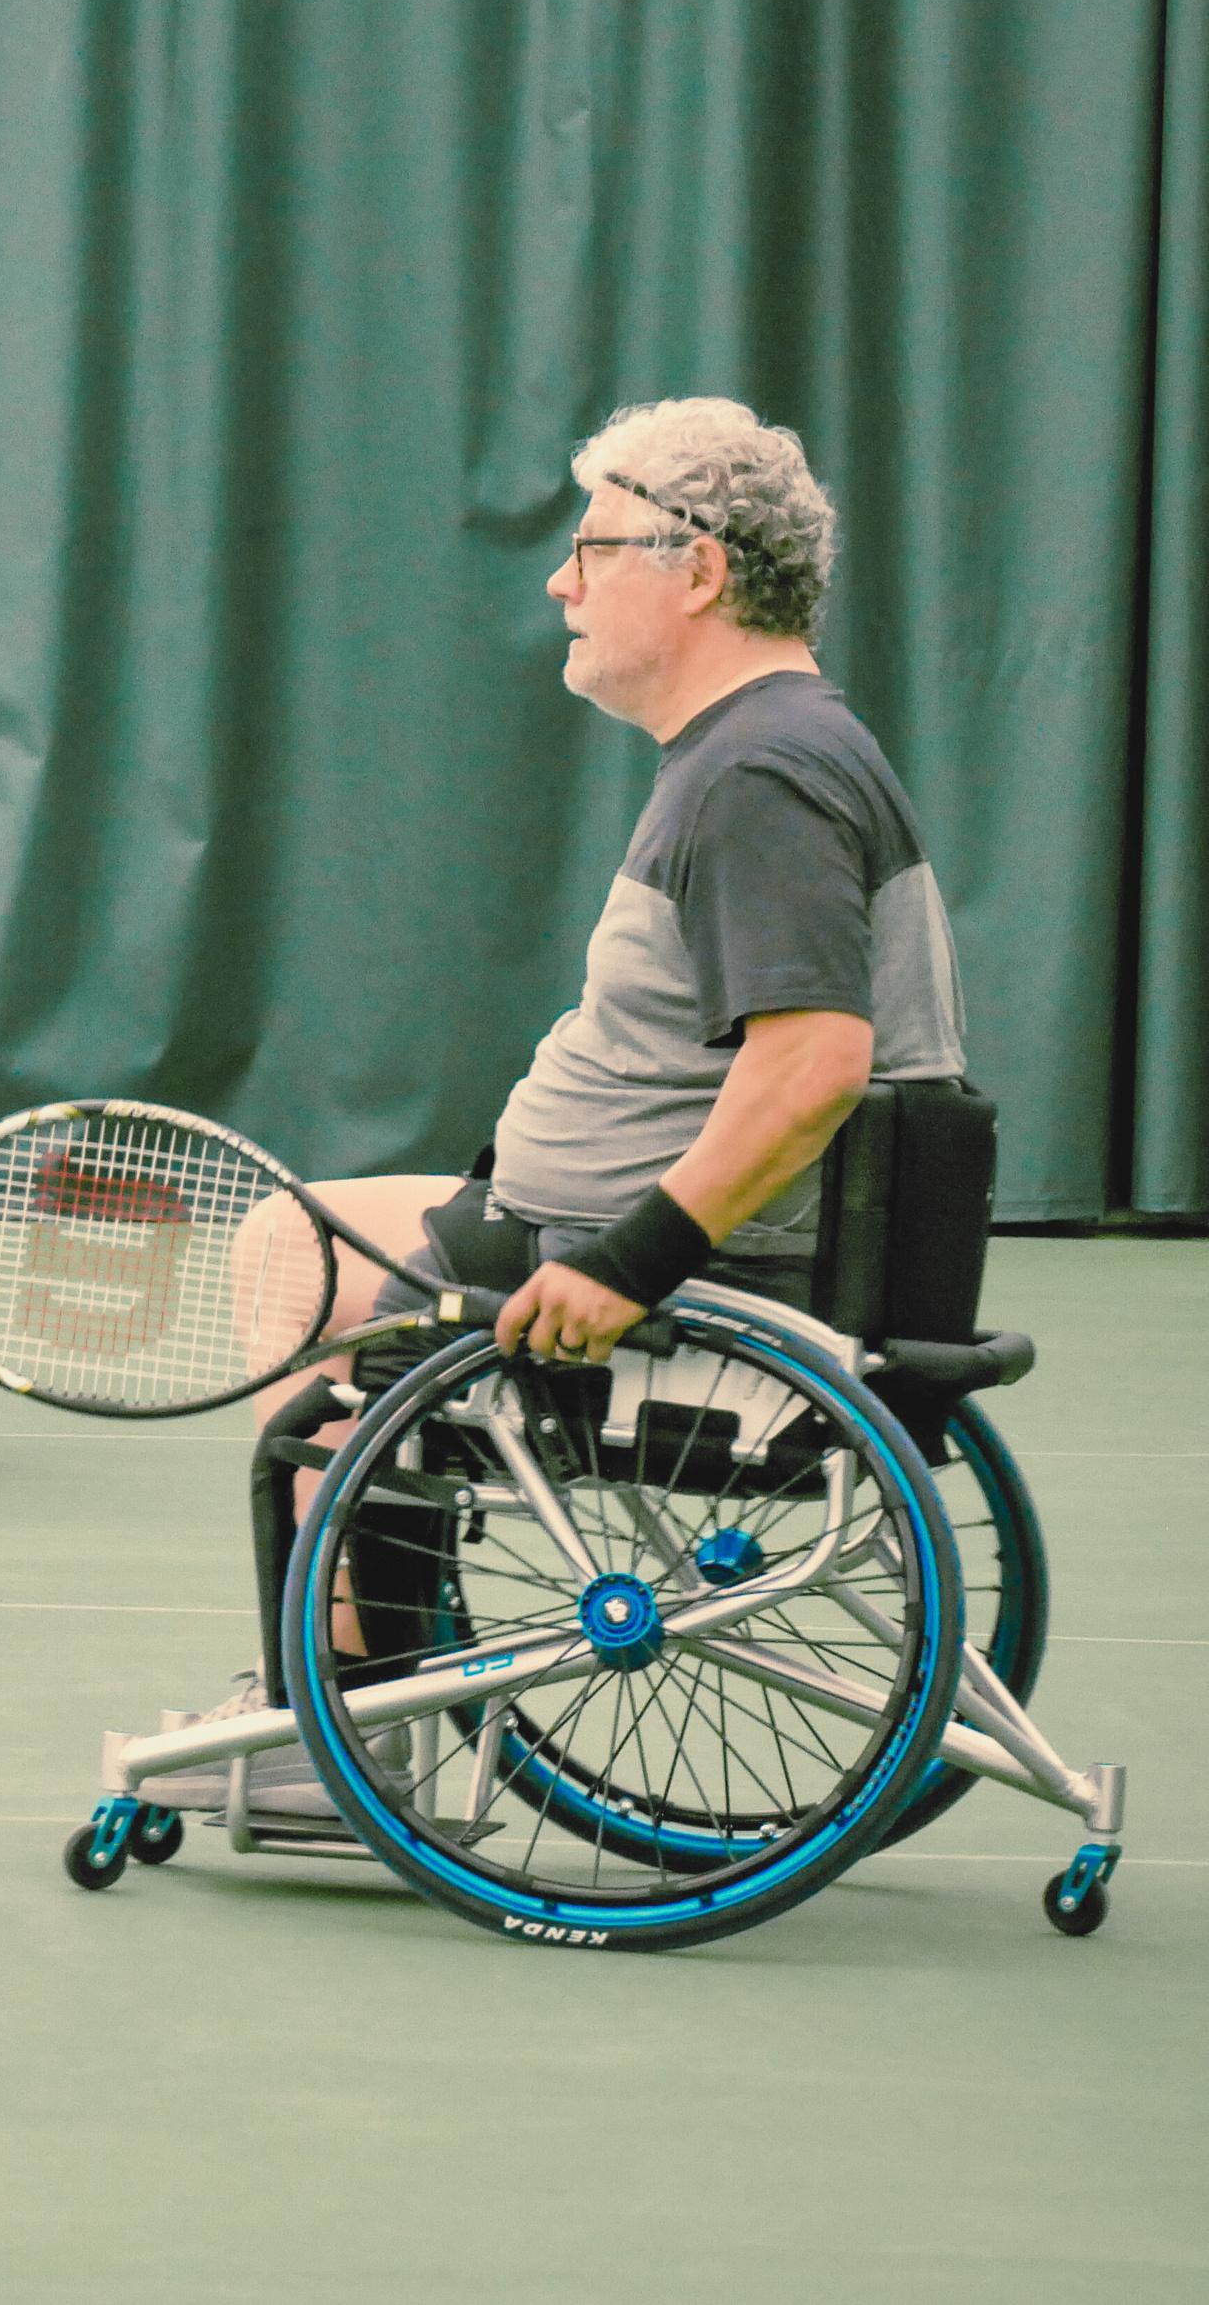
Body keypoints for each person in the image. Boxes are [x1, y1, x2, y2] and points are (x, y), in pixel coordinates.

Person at [149, 395, 970, 1815]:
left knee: (303, 1283)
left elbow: (812, 1064)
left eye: (589, 548)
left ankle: (346, 1717)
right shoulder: (767, 746)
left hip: (671, 1274)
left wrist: (626, 1262)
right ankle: (365, 1691)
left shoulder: (759, 770)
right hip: (665, 1241)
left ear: (697, 570)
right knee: (300, 1235)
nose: (558, 583)